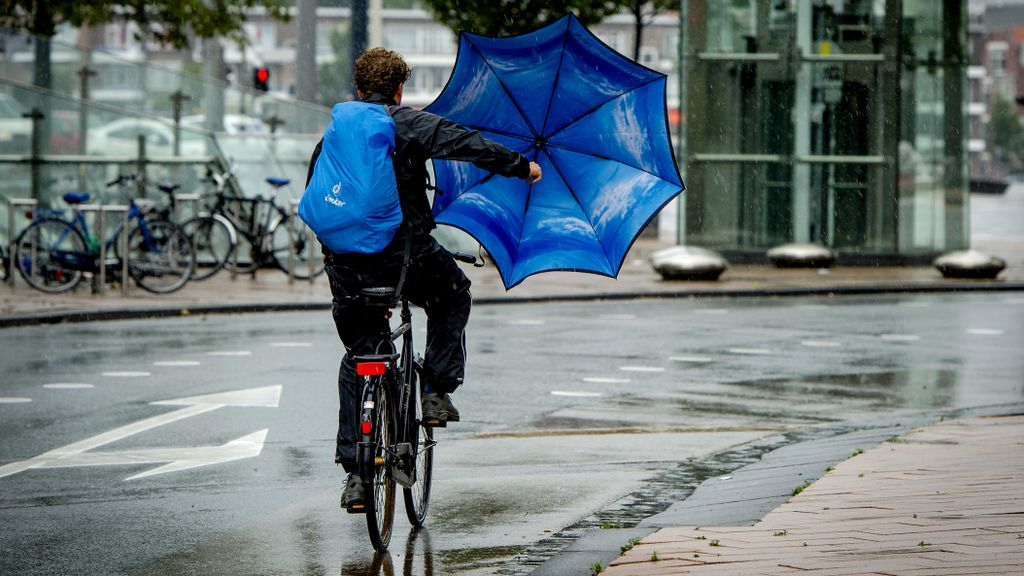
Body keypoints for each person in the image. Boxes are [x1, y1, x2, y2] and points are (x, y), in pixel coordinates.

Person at [307, 48, 542, 512]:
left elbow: (320, 199)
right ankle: (435, 392)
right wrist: (521, 166)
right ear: (398, 90)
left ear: (358, 90)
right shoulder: (404, 124)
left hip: (348, 268)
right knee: (453, 293)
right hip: (404, 261)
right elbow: (466, 143)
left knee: (362, 355)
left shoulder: (335, 136)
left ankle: (356, 477)